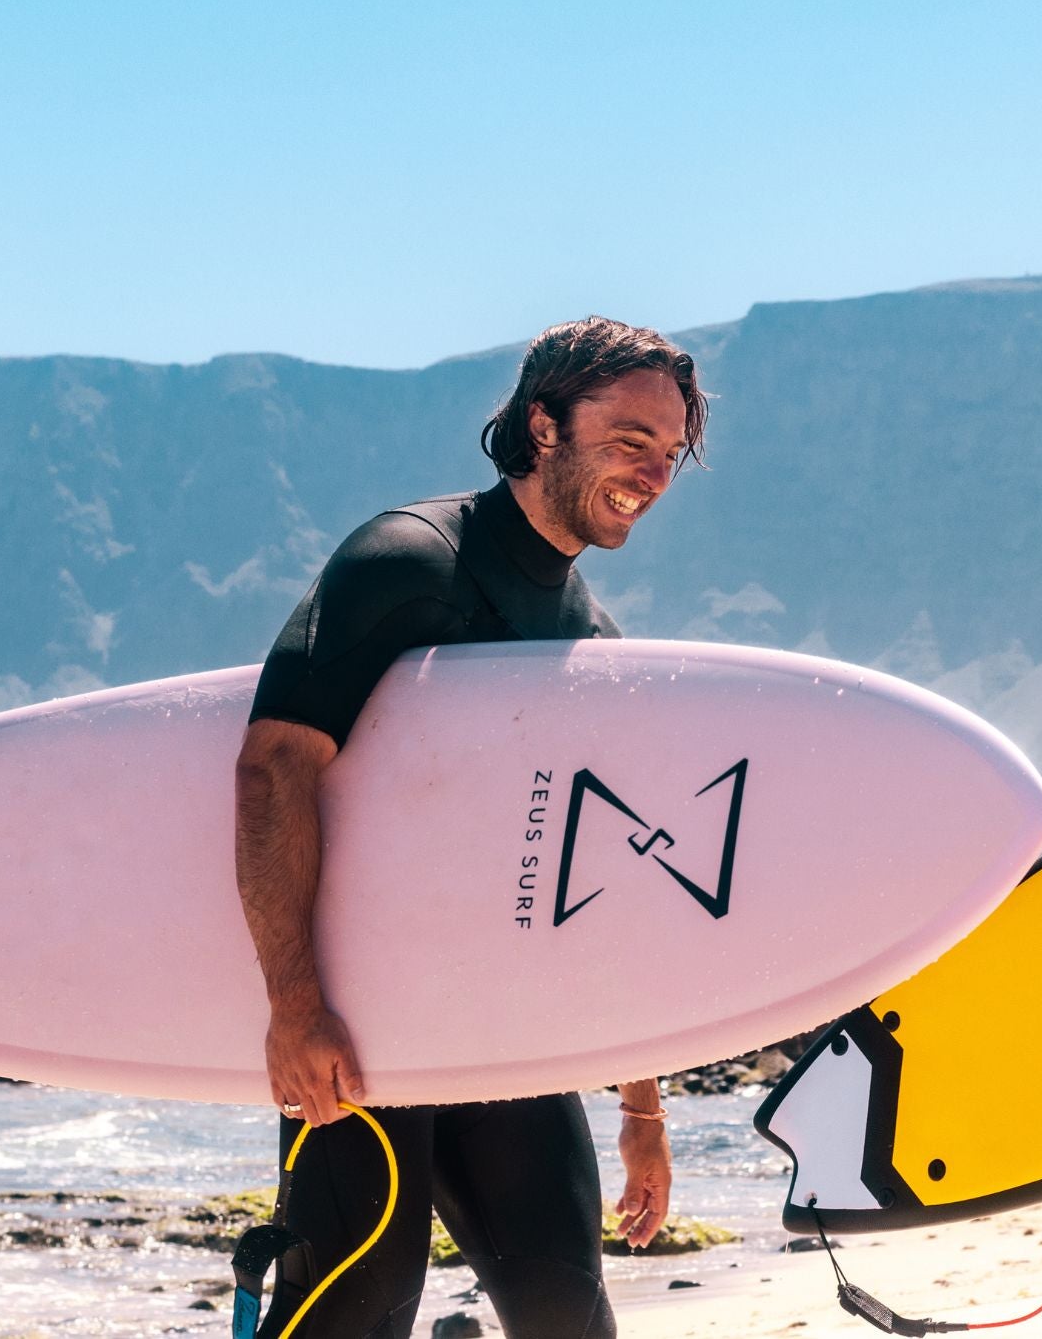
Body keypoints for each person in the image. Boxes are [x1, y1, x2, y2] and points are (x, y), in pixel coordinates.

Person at [233, 317, 709, 1339]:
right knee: (346, 1318)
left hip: (507, 1041)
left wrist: (642, 1107)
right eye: (630, 440)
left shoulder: (589, 638)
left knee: (567, 1321)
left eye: (669, 453)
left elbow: (614, 880)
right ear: (544, 424)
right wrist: (294, 1005)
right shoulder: (407, 561)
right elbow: (275, 769)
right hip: (361, 1034)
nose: (654, 472)